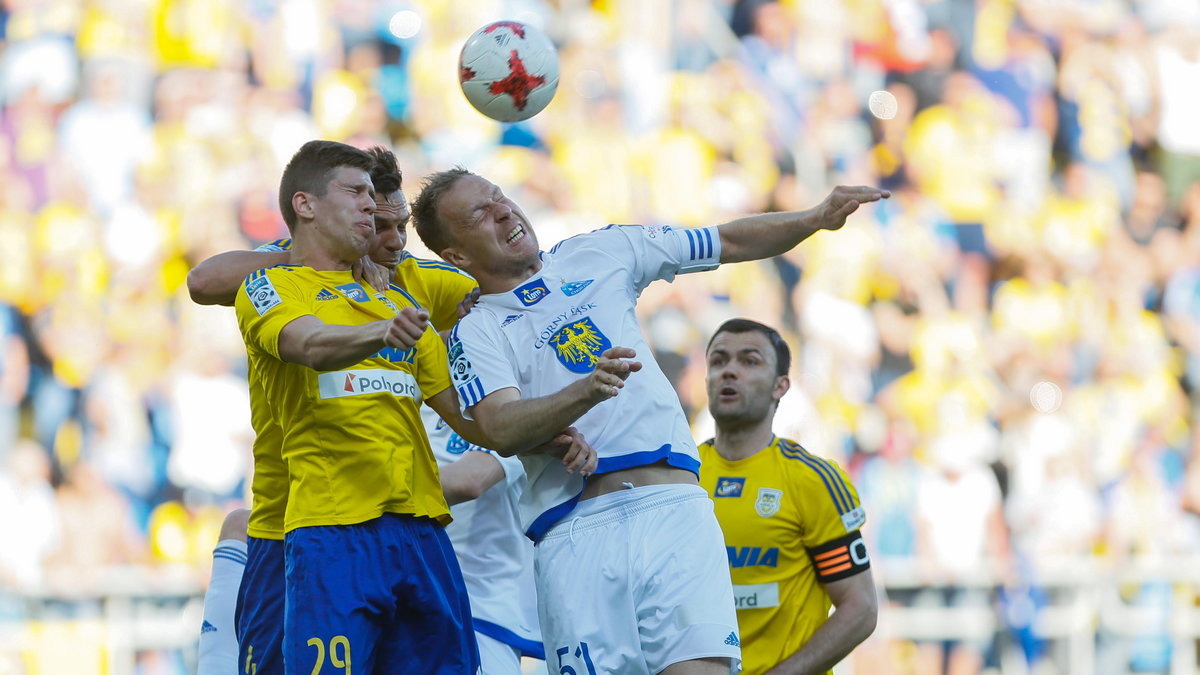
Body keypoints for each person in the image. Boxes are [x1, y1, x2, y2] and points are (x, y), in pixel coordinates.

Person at [410, 167, 889, 675]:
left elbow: (725, 239)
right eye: (480, 213)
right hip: (576, 532)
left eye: (499, 196)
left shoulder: (600, 252)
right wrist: (584, 391)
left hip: (674, 509)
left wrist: (813, 218)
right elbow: (500, 426)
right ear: (457, 256)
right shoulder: (475, 330)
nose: (503, 210)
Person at [231, 141, 591, 674]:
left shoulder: (402, 302)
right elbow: (308, 345)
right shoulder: (270, 285)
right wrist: (383, 333)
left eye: (372, 196)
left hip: (423, 533)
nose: (368, 208)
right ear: (305, 206)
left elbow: (470, 421)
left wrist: (552, 427)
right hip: (334, 533)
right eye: (355, 193)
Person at [698, 319, 877, 675]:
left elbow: (860, 607)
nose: (729, 371)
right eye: (719, 361)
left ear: (781, 386)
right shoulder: (678, 476)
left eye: (749, 361)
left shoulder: (812, 480)